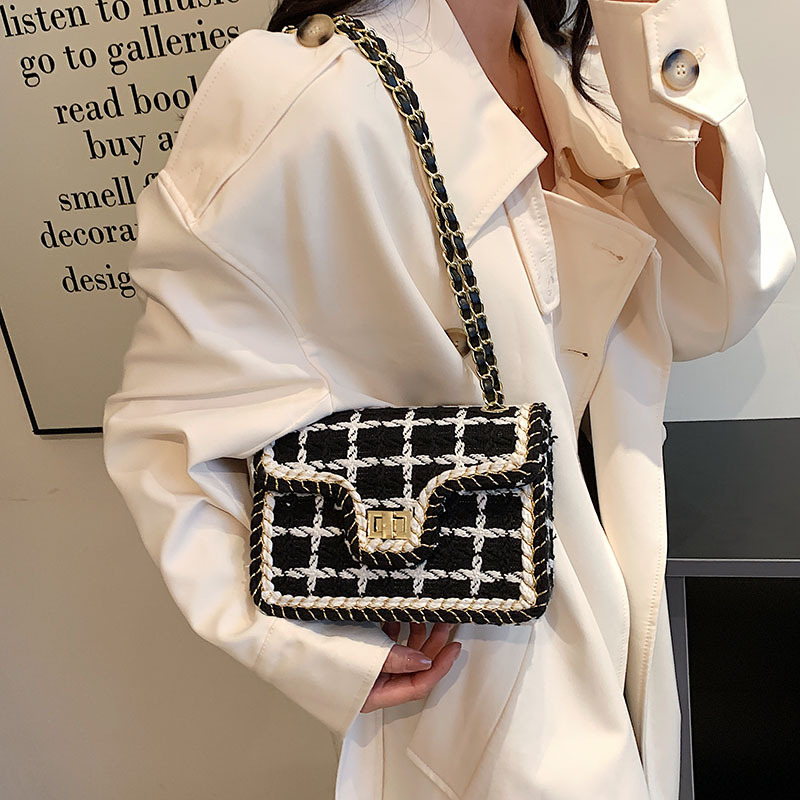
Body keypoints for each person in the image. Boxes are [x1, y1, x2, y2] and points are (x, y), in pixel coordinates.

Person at [102, 0, 795, 797]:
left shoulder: (582, 73)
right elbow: (168, 432)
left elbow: (719, 296)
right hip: (487, 680)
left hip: (627, 630)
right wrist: (313, 651)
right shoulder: (306, 92)